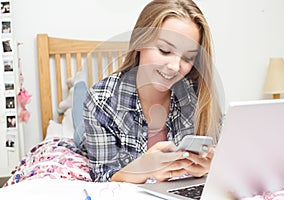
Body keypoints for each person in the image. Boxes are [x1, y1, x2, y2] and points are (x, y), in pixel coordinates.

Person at [81, 0, 222, 184]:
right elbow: (103, 176)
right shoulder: (101, 101)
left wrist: (211, 166)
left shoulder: (198, 96)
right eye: (164, 50)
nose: (174, 66)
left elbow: (224, 158)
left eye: (188, 58)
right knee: (78, 136)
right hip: (93, 122)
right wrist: (143, 169)